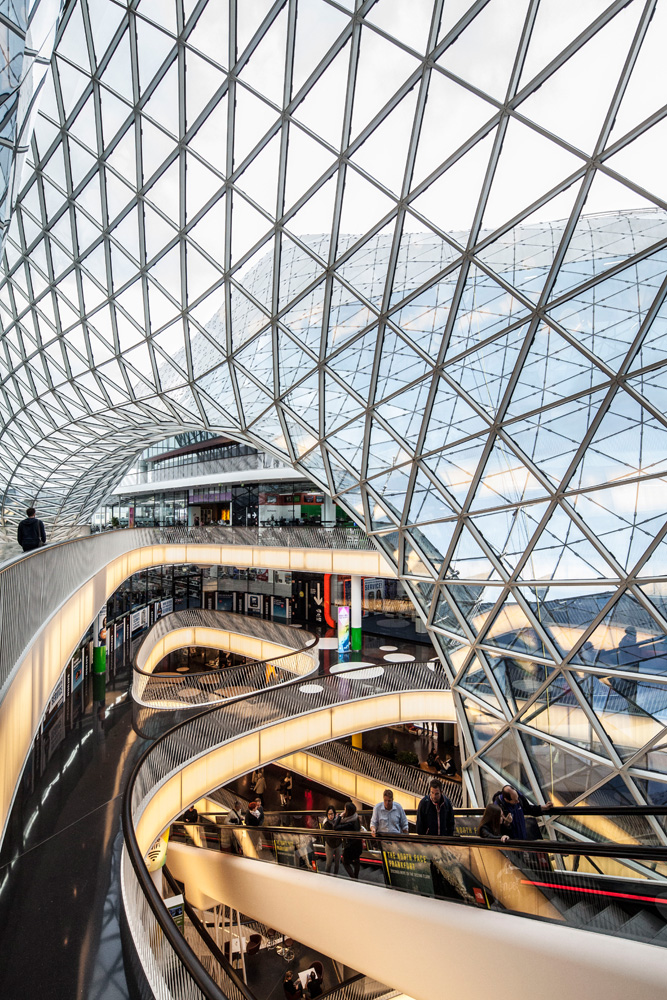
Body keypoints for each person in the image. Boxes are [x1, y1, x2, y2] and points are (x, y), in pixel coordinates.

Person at [338, 801, 363, 879]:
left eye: (345, 809)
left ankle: (353, 878)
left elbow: (336, 827)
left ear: (348, 811)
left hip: (350, 845)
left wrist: (339, 817)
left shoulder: (348, 822)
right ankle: (356, 876)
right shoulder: (356, 817)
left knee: (345, 861)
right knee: (356, 859)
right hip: (358, 843)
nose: (344, 811)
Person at [322, 806, 342, 874]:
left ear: (334, 813)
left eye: (332, 814)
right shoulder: (326, 823)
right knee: (329, 863)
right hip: (329, 844)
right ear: (327, 815)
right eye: (329, 814)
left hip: (338, 844)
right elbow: (328, 836)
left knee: (337, 862)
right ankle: (327, 876)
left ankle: (335, 876)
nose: (330, 816)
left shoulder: (338, 821)